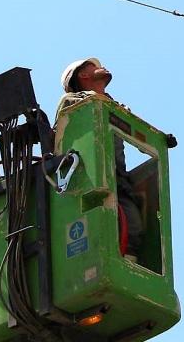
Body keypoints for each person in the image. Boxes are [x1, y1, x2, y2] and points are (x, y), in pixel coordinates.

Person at [57, 58, 144, 260]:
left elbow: (138, 134)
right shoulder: (72, 101)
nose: (101, 67)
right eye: (93, 66)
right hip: (88, 178)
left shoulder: (114, 106)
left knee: (133, 227)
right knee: (99, 225)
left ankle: (126, 264)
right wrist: (107, 104)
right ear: (82, 75)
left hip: (118, 179)